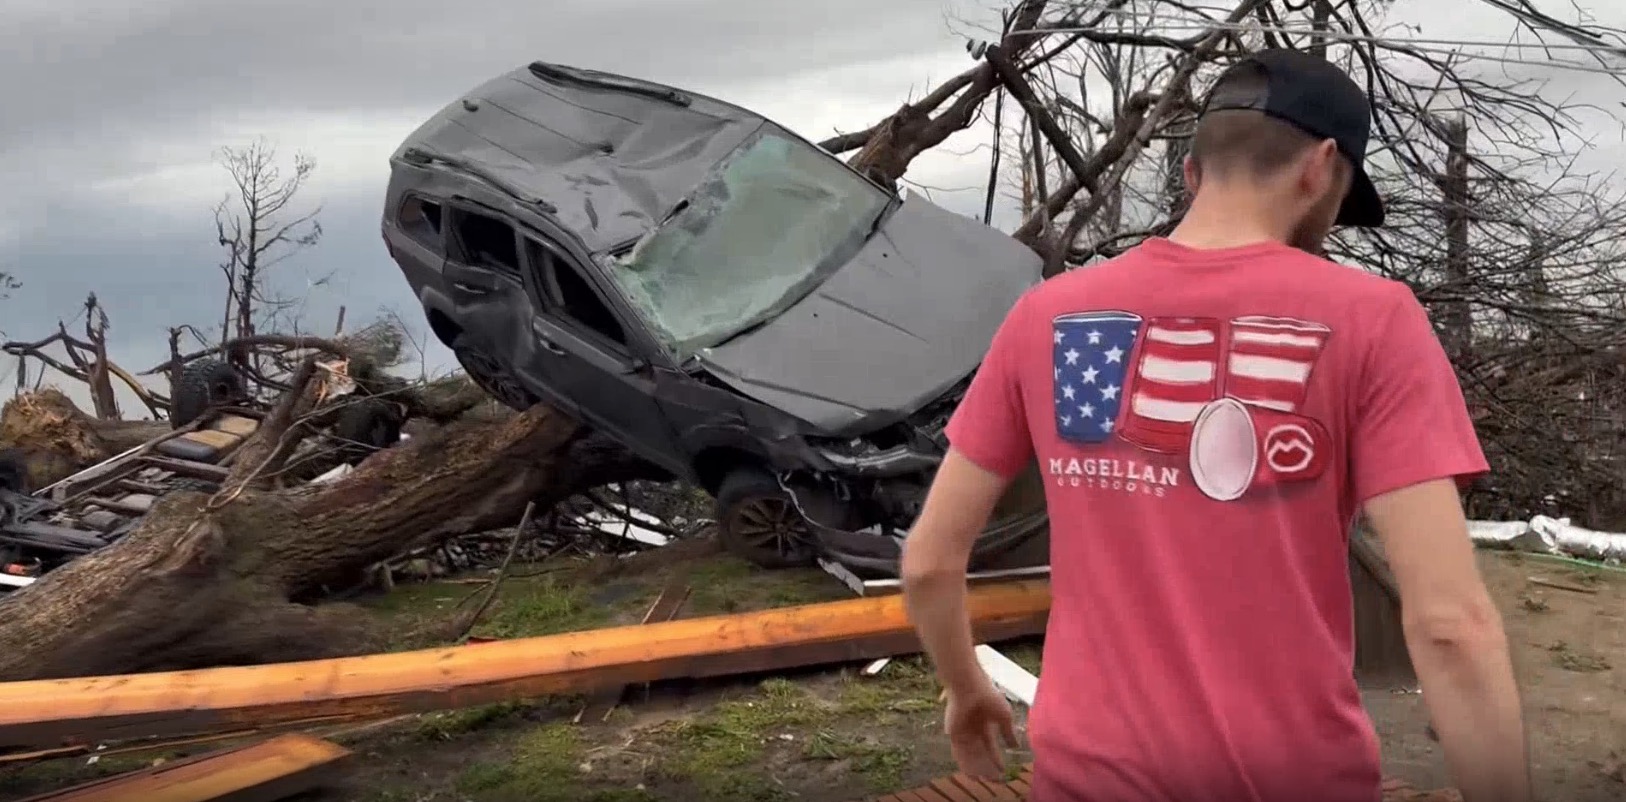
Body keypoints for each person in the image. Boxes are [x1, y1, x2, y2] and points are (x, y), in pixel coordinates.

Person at [900, 48, 1531, 802]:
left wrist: (968, 688)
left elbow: (931, 563)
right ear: (1320, 168)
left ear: (1193, 173)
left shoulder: (1047, 315)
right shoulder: (1375, 320)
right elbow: (1451, 626)